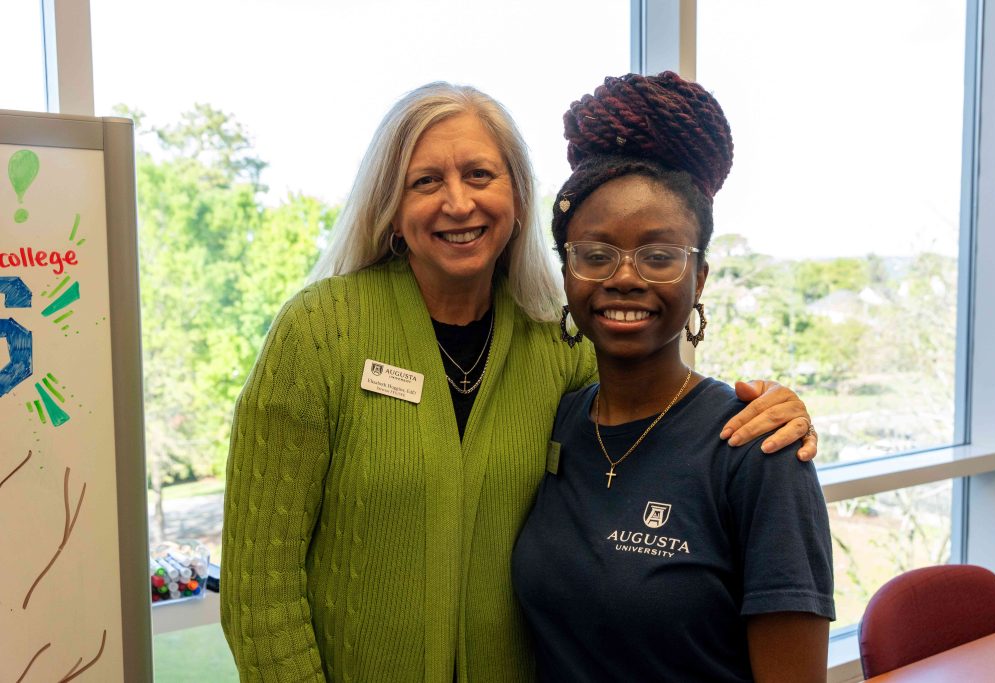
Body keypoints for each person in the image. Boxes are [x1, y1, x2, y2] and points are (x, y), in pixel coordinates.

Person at [220, 81, 821, 683]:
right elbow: (258, 587)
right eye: (426, 180)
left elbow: (652, 402)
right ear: (392, 209)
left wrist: (777, 409)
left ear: (517, 198)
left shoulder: (553, 348)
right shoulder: (321, 333)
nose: (459, 203)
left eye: (480, 175)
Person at [511, 72, 835, 683]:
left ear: (701, 278)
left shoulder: (756, 450)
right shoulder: (556, 423)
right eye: (595, 253)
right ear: (567, 272)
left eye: (660, 255)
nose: (625, 277)